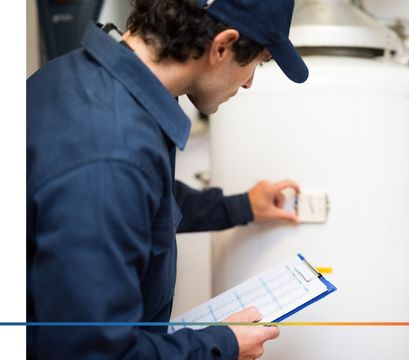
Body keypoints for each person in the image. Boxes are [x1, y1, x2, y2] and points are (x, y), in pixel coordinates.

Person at [26, 0, 308, 358]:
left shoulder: (71, 77)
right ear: (222, 46)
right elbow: (95, 352)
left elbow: (144, 200)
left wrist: (241, 206)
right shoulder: (110, 152)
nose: (250, 81)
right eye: (257, 61)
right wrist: (222, 345)